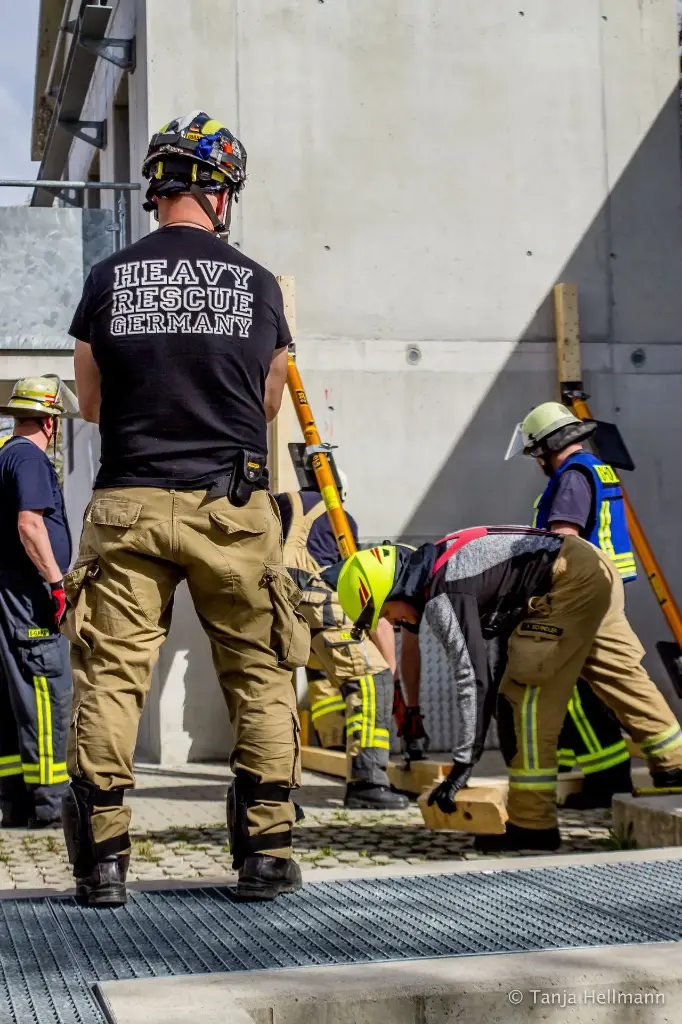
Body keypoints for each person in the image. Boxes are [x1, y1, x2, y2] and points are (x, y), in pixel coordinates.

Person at [64, 111, 309, 906]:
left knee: (111, 676)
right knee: (259, 672)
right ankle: (265, 853)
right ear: (221, 194)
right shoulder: (259, 284)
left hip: (128, 501)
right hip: (231, 506)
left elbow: (91, 404)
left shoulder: (107, 279)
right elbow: (268, 403)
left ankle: (103, 864)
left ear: (159, 189)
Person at [332, 528, 682, 852]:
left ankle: (532, 824)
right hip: (591, 564)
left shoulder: (443, 594)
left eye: (385, 612)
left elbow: (473, 679)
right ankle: (674, 764)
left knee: (523, 699)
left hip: (566, 579)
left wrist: (463, 765)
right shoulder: (443, 560)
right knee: (617, 672)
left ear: (392, 589)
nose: (392, 623)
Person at [506, 402, 636, 807]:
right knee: (586, 684)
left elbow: (564, 541)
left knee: (575, 688)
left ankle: (608, 779)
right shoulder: (595, 468)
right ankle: (585, 772)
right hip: (600, 592)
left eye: (536, 453)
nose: (538, 463)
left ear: (548, 446)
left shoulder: (572, 477)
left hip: (579, 596)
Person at [274, 473, 409, 809]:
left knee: (282, 683)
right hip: (313, 593)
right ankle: (367, 782)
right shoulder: (340, 518)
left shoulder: (279, 502)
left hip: (268, 599)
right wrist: (390, 674)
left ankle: (272, 787)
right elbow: (361, 596)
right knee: (371, 678)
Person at [0, 376, 78, 827]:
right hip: (30, 599)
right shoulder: (30, 459)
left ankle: (15, 804)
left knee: (12, 700)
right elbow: (30, 525)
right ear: (50, 422)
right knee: (47, 694)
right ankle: (50, 805)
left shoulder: (5, 455)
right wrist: (56, 584)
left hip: (9, 597)